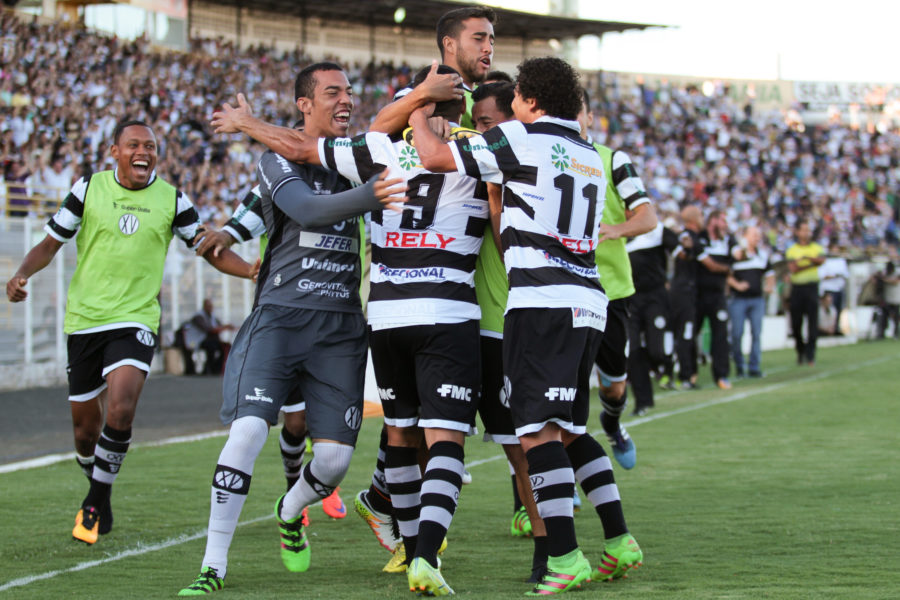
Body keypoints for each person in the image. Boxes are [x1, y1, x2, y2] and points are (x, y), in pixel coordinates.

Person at [411, 56, 643, 595]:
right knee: (569, 429)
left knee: (535, 431)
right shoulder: (588, 153)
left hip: (542, 302)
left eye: (515, 97)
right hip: (587, 300)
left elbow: (433, 156)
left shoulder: (519, 138)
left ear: (532, 102)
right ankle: (618, 539)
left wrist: (420, 112)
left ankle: (564, 556)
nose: (509, 105)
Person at [178, 63, 406, 596]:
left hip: (342, 329)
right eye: (333, 92)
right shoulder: (276, 156)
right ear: (305, 104)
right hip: (280, 319)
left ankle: (289, 507)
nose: (346, 100)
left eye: (350, 91)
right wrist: (373, 195)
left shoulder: (360, 159)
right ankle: (213, 564)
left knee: (332, 462)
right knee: (250, 431)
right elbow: (301, 208)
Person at [5, 120, 257, 546]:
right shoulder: (88, 189)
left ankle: (93, 501)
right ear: (114, 151)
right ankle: (101, 493)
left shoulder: (173, 199)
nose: (144, 152)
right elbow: (50, 242)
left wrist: (252, 269)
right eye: (134, 145)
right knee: (86, 432)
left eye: (151, 146)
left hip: (136, 319)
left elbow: (208, 249)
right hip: (84, 321)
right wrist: (21, 274)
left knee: (121, 409)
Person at [578, 88, 658, 470]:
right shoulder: (543, 156)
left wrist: (615, 229)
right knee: (567, 387)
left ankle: (611, 423)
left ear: (591, 118)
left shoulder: (612, 160)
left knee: (613, 387)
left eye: (577, 112)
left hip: (611, 292)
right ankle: (564, 470)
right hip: (564, 291)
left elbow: (647, 217)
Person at [624, 222, 681, 415]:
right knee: (632, 351)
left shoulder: (654, 229)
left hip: (655, 297)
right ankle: (642, 401)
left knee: (656, 350)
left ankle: (664, 366)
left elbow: (679, 249)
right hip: (629, 298)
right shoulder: (617, 233)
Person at [696, 209, 742, 389]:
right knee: (691, 334)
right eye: (723, 220)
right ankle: (689, 374)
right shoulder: (700, 237)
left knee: (720, 336)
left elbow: (739, 253)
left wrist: (742, 253)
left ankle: (721, 375)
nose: (725, 225)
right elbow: (710, 265)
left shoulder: (729, 240)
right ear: (713, 220)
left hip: (718, 296)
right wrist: (726, 269)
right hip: (697, 295)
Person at [727, 226, 774, 377]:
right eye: (754, 235)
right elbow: (727, 273)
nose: (757, 238)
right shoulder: (738, 253)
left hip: (757, 299)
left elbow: (770, 273)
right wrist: (737, 285)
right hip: (738, 299)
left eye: (758, 235)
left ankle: (754, 367)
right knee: (737, 333)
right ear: (745, 236)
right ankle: (740, 366)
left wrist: (769, 285)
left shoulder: (762, 255)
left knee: (756, 333)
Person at [670, 205, 703, 389]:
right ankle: (685, 376)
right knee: (685, 334)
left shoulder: (696, 237)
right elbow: (685, 255)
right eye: (700, 215)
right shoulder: (685, 236)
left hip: (688, 292)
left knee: (687, 335)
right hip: (683, 293)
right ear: (693, 218)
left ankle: (690, 374)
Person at [785, 221, 826, 365]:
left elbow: (821, 260)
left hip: (812, 287)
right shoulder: (792, 250)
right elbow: (793, 268)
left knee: (812, 323)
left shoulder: (816, 247)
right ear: (797, 232)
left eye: (808, 230)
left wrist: (806, 260)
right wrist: (811, 264)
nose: (806, 233)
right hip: (797, 289)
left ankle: (810, 355)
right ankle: (800, 350)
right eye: (803, 230)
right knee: (796, 323)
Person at [176, 298, 235, 375]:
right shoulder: (198, 317)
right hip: (194, 341)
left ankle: (216, 369)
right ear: (204, 306)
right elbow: (209, 329)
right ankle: (208, 369)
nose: (210, 308)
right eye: (208, 306)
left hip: (206, 340)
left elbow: (218, 326)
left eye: (211, 306)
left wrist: (226, 327)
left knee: (225, 346)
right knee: (211, 347)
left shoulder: (212, 317)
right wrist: (224, 327)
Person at [818, 242, 849, 335]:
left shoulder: (841, 261)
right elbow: (822, 275)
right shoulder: (825, 260)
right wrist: (834, 276)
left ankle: (836, 328)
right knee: (829, 310)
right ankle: (825, 330)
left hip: (839, 288)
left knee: (839, 310)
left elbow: (846, 274)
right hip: (829, 289)